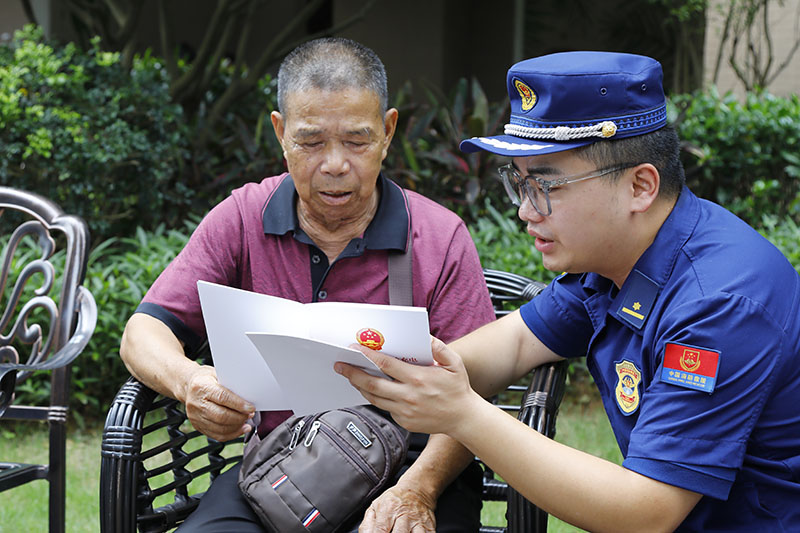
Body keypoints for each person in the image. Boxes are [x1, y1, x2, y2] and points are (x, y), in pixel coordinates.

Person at [337, 51, 800, 532]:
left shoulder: (720, 304)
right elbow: (509, 346)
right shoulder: (614, 263)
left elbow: (647, 512)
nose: (526, 211)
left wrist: (463, 413)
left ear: (640, 186)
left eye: (546, 186)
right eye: (519, 182)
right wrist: (372, 378)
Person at [119, 37, 496, 532]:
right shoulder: (242, 219)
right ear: (281, 133)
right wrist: (190, 382)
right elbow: (141, 334)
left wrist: (416, 491)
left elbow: (479, 387)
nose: (335, 163)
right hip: (281, 467)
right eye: (311, 141)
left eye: (357, 141)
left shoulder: (439, 237)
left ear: (387, 132)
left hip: (417, 468)